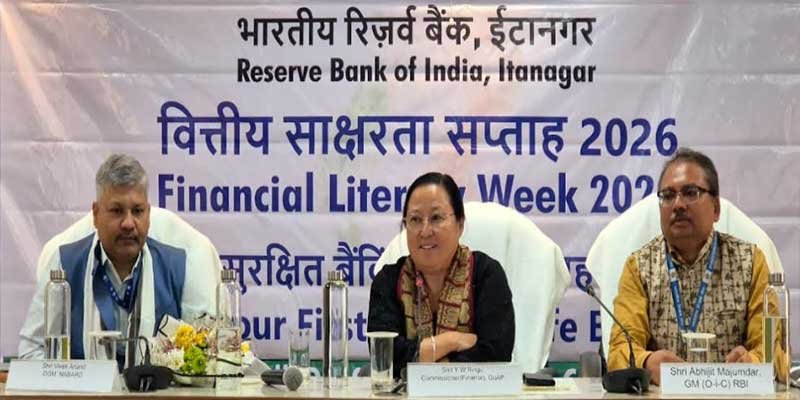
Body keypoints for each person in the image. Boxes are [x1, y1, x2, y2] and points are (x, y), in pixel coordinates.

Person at [18, 154, 217, 367]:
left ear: (148, 214)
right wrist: (69, 380)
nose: (128, 223)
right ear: (96, 215)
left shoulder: (180, 267)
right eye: (117, 211)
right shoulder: (64, 264)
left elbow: (203, 357)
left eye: (137, 211)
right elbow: (31, 352)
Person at [607, 148, 770, 384]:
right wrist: (646, 362)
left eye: (690, 193)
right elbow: (620, 349)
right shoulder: (639, 267)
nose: (678, 205)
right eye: (668, 196)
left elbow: (773, 348)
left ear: (716, 209)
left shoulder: (750, 262)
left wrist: (752, 363)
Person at [367, 172, 515, 377]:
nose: (425, 231)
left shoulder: (486, 274)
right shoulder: (389, 280)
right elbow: (385, 354)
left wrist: (422, 361)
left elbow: (496, 355)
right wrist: (451, 341)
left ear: (460, 224)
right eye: (415, 219)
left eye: (436, 218)